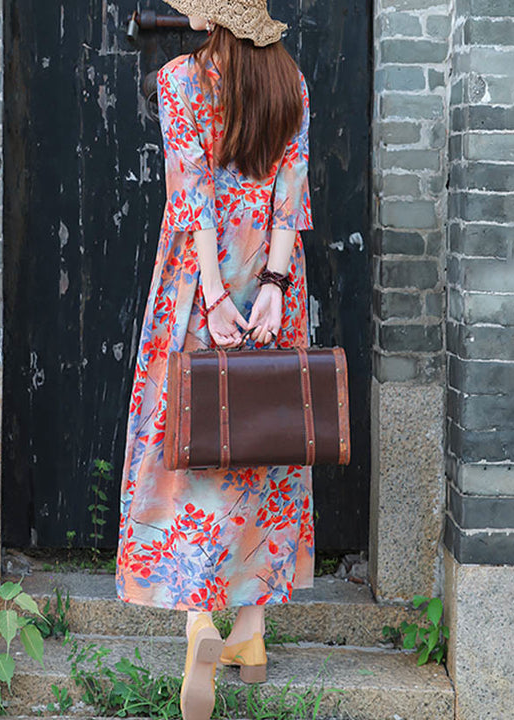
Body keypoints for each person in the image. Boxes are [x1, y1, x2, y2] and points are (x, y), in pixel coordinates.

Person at [115, 1, 314, 717]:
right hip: (270, 278)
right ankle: (251, 635)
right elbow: (291, 197)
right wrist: (272, 287)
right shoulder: (290, 81)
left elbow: (190, 193)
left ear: (208, 17)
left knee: (187, 436)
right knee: (267, 437)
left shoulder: (181, 79)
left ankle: (200, 620)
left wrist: (211, 296)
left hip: (196, 280)